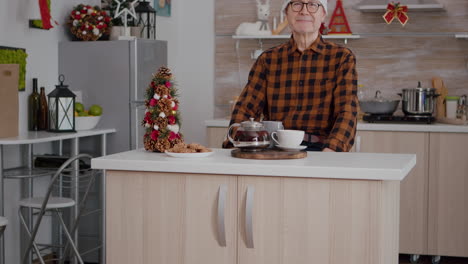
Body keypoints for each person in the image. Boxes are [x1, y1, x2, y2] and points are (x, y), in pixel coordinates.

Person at [223, 0, 358, 152]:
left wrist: (331, 151)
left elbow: (347, 111)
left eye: (313, 4)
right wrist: (233, 144)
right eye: (297, 4)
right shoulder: (268, 59)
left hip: (322, 149)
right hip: (274, 149)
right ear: (286, 13)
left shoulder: (341, 58)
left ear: (323, 15)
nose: (304, 11)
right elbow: (245, 109)